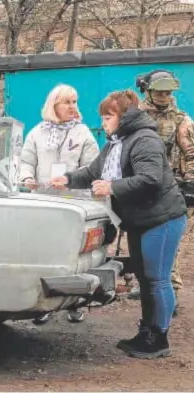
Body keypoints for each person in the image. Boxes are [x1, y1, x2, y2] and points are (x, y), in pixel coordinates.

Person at [51, 90, 187, 358]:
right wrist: (66, 179)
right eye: (103, 117)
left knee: (157, 280)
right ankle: (147, 332)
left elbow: (150, 179)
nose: (103, 122)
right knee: (146, 279)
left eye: (108, 116)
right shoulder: (116, 143)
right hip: (140, 220)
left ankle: (159, 338)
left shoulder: (144, 140)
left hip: (162, 219)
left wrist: (112, 187)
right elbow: (92, 173)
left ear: (124, 117)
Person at [20, 84, 99, 324]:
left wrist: (72, 182)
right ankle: (43, 305)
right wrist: (26, 178)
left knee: (73, 255)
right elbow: (25, 161)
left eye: (75, 102)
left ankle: (75, 303)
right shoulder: (37, 132)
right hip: (43, 202)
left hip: (73, 203)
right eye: (67, 102)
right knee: (44, 253)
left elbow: (93, 167)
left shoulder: (83, 133)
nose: (73, 107)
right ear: (54, 106)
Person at [129, 69, 194, 316]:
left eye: (168, 92)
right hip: (142, 186)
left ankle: (171, 293)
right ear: (148, 90)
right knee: (141, 238)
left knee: (169, 244)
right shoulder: (137, 117)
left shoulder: (181, 121)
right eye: (160, 92)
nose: (165, 96)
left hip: (171, 189)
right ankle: (145, 285)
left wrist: (189, 185)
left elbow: (191, 154)